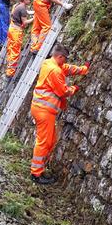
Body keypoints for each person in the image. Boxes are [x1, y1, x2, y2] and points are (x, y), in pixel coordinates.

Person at [30, 44, 89, 184]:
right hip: (44, 111)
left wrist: (82, 70)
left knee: (49, 141)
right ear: (60, 57)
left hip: (41, 109)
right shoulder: (54, 71)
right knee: (44, 142)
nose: (65, 61)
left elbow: (67, 68)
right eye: (65, 59)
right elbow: (63, 91)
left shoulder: (48, 62)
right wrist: (74, 88)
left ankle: (40, 169)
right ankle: (36, 174)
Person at [6, 0, 33, 78]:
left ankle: (9, 68)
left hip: (11, 28)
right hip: (16, 32)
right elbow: (24, 22)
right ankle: (10, 72)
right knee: (15, 51)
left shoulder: (17, 5)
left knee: (11, 48)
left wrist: (30, 12)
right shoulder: (22, 9)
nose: (30, 1)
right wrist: (34, 18)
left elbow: (22, 12)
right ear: (24, 0)